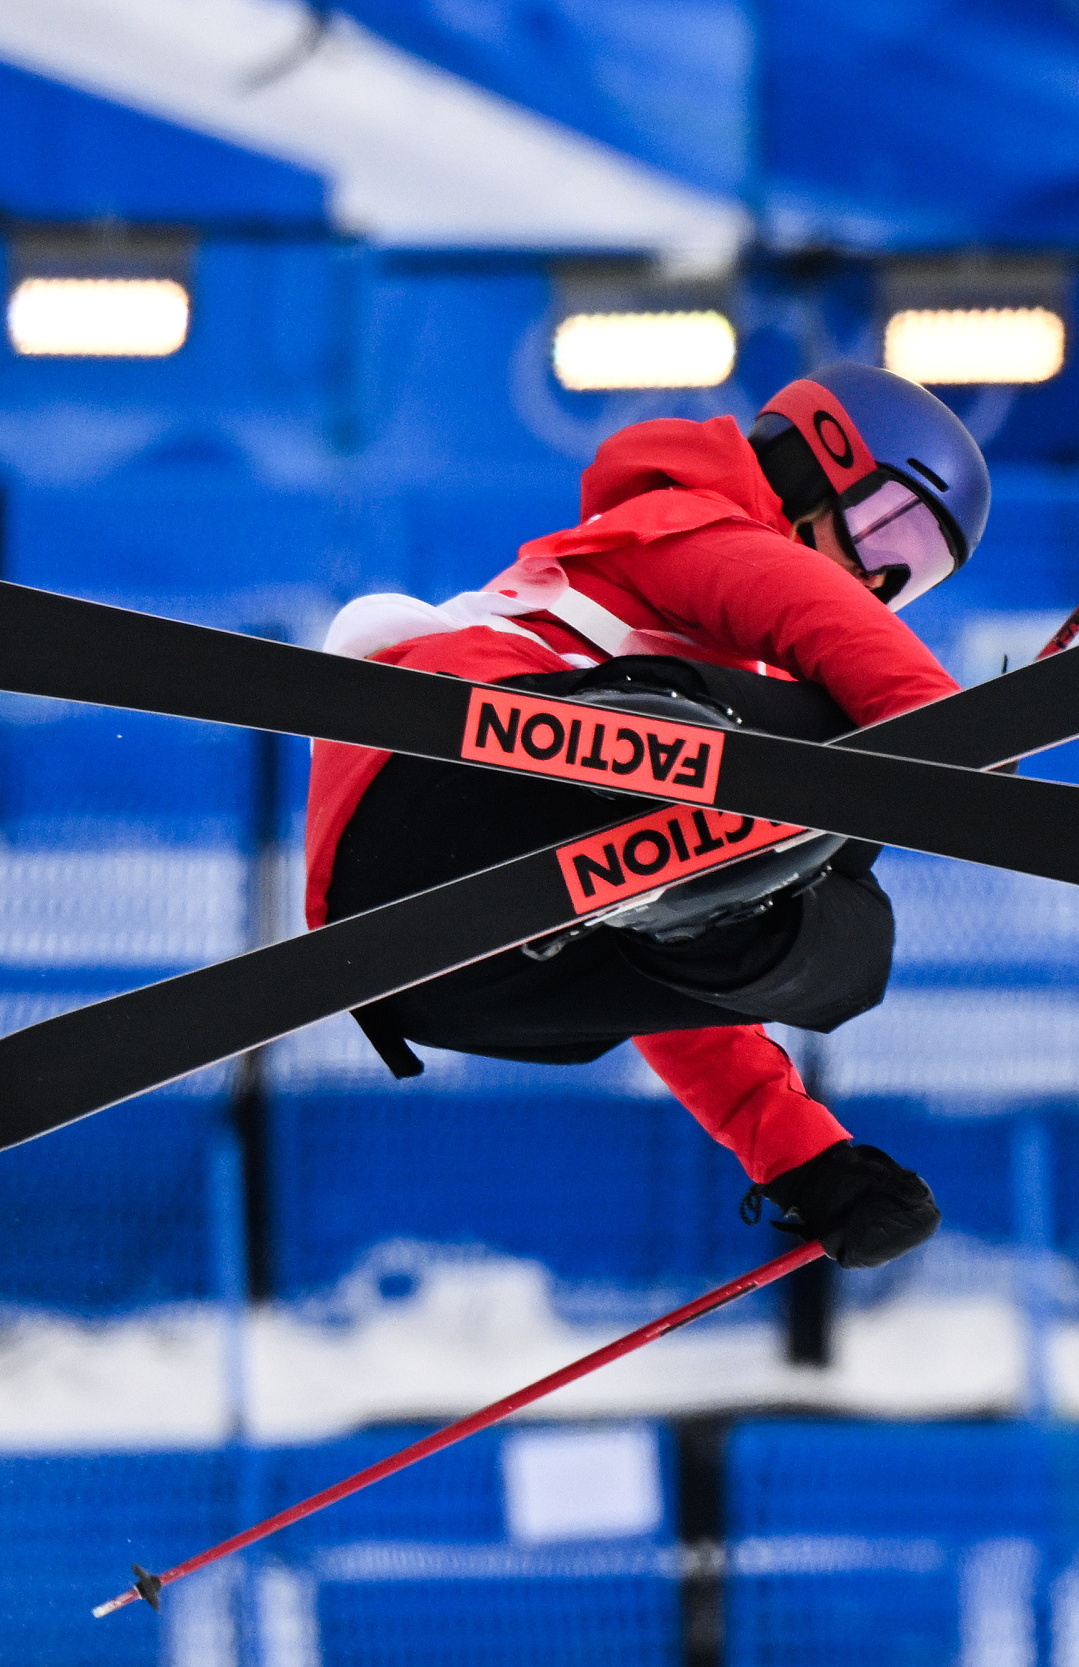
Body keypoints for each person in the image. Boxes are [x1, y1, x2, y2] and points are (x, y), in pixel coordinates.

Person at [304, 364, 991, 1269]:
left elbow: (690, 1014)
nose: (881, 575)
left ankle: (683, 867)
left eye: (917, 573)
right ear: (816, 459)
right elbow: (815, 610)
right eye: (886, 529)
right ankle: (655, 774)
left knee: (846, 934)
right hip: (447, 781)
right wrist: (951, 728)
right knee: (834, 759)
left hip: (456, 974)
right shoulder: (678, 522)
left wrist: (810, 1162)